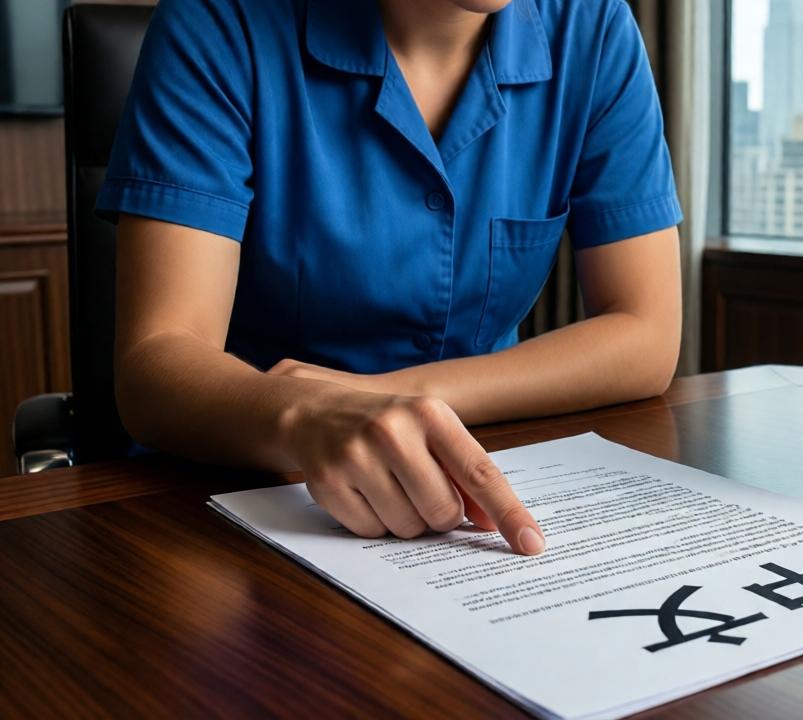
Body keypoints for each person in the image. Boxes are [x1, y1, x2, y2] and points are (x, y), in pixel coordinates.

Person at [99, 0, 683, 556]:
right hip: (234, 490)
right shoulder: (219, 19)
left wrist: (389, 401)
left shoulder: (595, 28)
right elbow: (158, 357)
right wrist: (302, 413)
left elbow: (645, 333)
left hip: (477, 469)